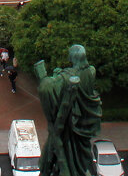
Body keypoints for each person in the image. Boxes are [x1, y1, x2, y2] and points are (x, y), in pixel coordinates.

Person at [35, 45, 102, 176]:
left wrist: (44, 78)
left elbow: (49, 86)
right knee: (79, 154)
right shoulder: (91, 72)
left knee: (66, 149)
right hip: (83, 122)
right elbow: (76, 75)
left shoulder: (66, 78)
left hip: (70, 123)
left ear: (73, 57)